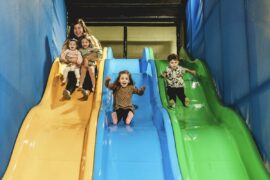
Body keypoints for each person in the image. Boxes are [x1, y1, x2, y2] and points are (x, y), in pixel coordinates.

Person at [61, 18, 101, 100]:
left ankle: (86, 90)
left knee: (88, 71)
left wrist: (87, 58)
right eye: (75, 28)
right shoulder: (70, 41)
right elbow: (62, 56)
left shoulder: (90, 38)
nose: (77, 30)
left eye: (79, 28)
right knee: (72, 73)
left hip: (89, 64)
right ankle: (68, 91)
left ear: (83, 28)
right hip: (76, 65)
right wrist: (70, 60)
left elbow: (99, 52)